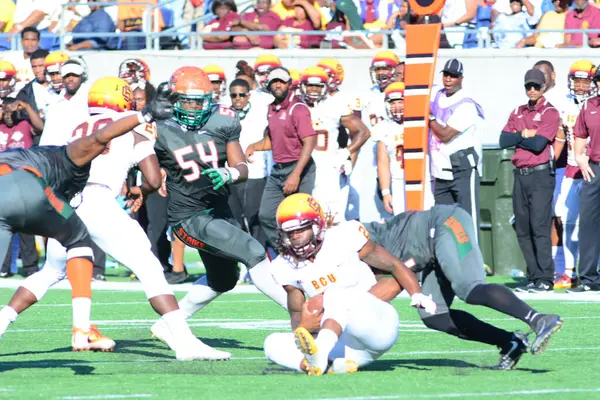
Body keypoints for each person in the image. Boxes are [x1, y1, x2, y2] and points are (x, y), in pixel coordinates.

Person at [0, 77, 227, 360]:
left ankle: (3, 321)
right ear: (123, 99)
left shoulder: (78, 127)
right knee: (148, 266)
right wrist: (140, 190)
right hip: (98, 202)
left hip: (67, 204)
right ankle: (183, 341)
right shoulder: (134, 127)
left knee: (51, 271)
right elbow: (154, 179)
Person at [149, 67, 289, 349]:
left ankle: (168, 324)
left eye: (199, 101)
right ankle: (303, 315)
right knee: (255, 252)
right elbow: (138, 157)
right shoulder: (158, 127)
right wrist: (144, 183)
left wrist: (230, 174)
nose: (193, 107)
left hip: (218, 209)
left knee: (224, 279)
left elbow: (242, 167)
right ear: (174, 99)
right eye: (187, 101)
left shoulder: (223, 119)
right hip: (188, 217)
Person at [363, 204, 563, 370]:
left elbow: (391, 280)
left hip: (444, 223)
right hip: (427, 253)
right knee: (435, 317)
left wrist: (348, 313)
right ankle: (510, 342)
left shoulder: (352, 242)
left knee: (469, 289)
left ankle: (538, 319)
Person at [264, 193, 436, 375]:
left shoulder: (344, 236)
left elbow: (393, 265)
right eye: (290, 232)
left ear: (317, 225)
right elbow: (297, 314)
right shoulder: (284, 266)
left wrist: (416, 293)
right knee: (272, 343)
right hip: (342, 342)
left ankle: (320, 353)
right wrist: (305, 327)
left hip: (373, 323)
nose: (295, 237)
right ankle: (317, 365)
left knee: (333, 294)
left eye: (301, 230)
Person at [499, 68, 560, 293]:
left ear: (544, 87)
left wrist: (521, 136)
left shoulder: (550, 112)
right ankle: (533, 276)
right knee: (522, 227)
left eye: (536, 86)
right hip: (521, 174)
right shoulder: (518, 110)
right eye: (529, 86)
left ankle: (546, 276)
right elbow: (503, 140)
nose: (532, 90)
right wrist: (526, 134)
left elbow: (539, 144)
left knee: (539, 226)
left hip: (540, 174)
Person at [245, 67, 317, 249]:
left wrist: (296, 174)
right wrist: (254, 146)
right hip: (279, 167)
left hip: (299, 166)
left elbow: (309, 141)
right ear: (268, 85)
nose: (277, 85)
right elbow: (271, 140)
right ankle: (286, 252)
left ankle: (308, 253)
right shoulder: (272, 108)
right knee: (266, 215)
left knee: (300, 215)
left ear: (289, 84)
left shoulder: (298, 108)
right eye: (274, 82)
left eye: (281, 81)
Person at [299, 66, 369, 221]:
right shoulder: (296, 105)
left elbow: (363, 132)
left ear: (326, 86)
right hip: (301, 167)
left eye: (318, 86)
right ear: (302, 86)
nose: (314, 90)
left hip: (327, 167)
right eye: (310, 85)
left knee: (330, 217)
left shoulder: (335, 104)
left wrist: (344, 153)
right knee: (303, 215)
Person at [429, 58, 484, 243]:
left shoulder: (466, 104)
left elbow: (445, 135)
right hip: (440, 170)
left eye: (453, 76)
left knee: (467, 219)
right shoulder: (437, 95)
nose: (448, 79)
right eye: (446, 75)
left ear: (461, 78)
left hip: (462, 168)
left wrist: (429, 117)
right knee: (444, 223)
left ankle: (475, 265)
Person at [553, 60, 596, 290]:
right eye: (577, 80)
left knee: (593, 222)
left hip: (593, 167)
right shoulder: (565, 104)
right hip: (571, 167)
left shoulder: (595, 105)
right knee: (565, 218)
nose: (580, 85)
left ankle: (593, 270)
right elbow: (561, 134)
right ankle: (570, 272)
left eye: (585, 81)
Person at [0, 98, 44, 278]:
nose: (9, 115)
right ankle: (4, 267)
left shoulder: (25, 125)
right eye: (5, 111)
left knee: (27, 228)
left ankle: (30, 268)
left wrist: (25, 106)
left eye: (12, 111)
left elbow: (41, 127)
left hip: (24, 182)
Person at [571, 68, 600, 293]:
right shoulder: (589, 107)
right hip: (595, 169)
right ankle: (589, 278)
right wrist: (580, 159)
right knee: (588, 223)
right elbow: (580, 134)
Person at [39, 58, 90, 147]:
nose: (70, 79)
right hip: (54, 154)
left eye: (74, 75)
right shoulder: (54, 102)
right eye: (67, 75)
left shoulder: (89, 99)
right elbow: (47, 135)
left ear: (82, 76)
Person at [374, 82, 406, 215]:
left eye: (400, 102)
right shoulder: (383, 127)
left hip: (424, 180)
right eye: (393, 103)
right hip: (398, 180)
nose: (397, 107)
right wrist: (386, 192)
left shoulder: (422, 123)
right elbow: (383, 163)